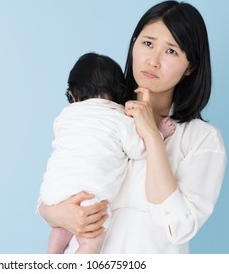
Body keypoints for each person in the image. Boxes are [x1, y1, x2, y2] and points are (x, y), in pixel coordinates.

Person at [38, 0, 227, 253]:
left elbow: (179, 227)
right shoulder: (100, 114)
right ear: (134, 44)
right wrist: (56, 214)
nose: (153, 60)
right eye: (148, 43)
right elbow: (53, 192)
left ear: (190, 66)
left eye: (171, 51)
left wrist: (152, 136)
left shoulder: (202, 140)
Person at [39, 52, 175, 254]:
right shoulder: (119, 118)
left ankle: (51, 256)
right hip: (89, 197)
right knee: (92, 241)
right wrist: (158, 134)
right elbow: (138, 149)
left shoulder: (65, 115)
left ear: (73, 94)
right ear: (120, 92)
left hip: (52, 191)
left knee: (60, 228)